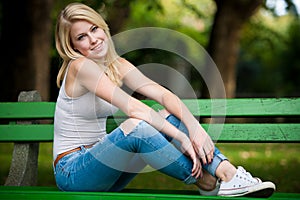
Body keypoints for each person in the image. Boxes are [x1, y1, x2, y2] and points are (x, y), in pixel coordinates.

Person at [53, 2, 275, 197]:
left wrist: (194, 128)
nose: (93, 39)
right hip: (73, 172)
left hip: (105, 168)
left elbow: (162, 94)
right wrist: (182, 138)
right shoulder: (80, 66)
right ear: (72, 46)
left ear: (103, 27)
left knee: (168, 115)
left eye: (94, 29)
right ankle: (208, 183)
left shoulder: (116, 66)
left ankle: (227, 172)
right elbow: (134, 108)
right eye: (81, 37)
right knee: (137, 127)